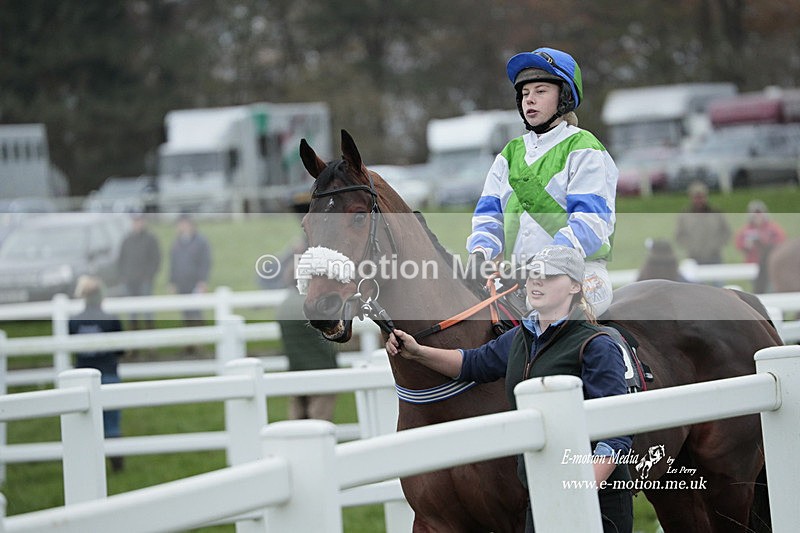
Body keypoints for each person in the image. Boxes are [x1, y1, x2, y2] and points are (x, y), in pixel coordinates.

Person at [386, 245, 633, 533]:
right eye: (532, 275)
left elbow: (616, 436)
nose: (537, 281)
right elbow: (473, 363)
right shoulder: (519, 337)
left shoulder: (597, 344)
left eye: (550, 276)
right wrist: (417, 353)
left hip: (597, 498)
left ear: (575, 287)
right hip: (540, 496)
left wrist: (579, 489)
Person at [466, 47, 618, 316]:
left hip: (580, 275)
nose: (529, 100)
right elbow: (489, 217)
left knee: (549, 318)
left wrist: (543, 262)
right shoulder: (509, 154)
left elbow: (589, 224)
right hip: (515, 281)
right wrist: (480, 253)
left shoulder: (584, 148)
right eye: (524, 94)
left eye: (540, 91)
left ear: (564, 96)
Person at [275, 238, 339, 421]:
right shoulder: (314, 306)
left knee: (296, 423)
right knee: (320, 423)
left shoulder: (284, 306)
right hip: (322, 372)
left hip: (296, 372)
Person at [68, 275, 125, 472]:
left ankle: (87, 467)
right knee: (112, 424)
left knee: (85, 426)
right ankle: (117, 465)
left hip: (80, 380)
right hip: (108, 375)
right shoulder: (111, 319)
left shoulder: (73, 321)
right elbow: (121, 349)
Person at [117, 212, 161, 330]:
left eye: (139, 221)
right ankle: (134, 342)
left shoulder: (150, 239)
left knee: (147, 311)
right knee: (132, 312)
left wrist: (149, 276)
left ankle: (150, 341)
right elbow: (121, 260)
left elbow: (156, 260)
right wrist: (123, 277)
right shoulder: (127, 240)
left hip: (144, 281)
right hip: (129, 281)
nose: (137, 224)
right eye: (135, 221)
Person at [168, 214, 211, 328]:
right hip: (181, 283)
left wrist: (203, 281)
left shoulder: (200, 241)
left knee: (196, 312)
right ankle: (190, 342)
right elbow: (173, 264)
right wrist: (172, 281)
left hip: (195, 282)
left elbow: (205, 262)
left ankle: (200, 340)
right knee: (185, 313)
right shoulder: (177, 243)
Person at [735, 200, 786, 293]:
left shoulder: (772, 228)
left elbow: (781, 241)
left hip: (769, 264)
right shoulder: (746, 229)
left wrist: (766, 241)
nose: (757, 216)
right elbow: (739, 243)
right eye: (755, 213)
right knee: (757, 290)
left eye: (759, 213)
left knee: (771, 289)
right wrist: (747, 245)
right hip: (753, 263)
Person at [674, 181, 731, 265]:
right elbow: (679, 235)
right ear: (691, 197)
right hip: (693, 258)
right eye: (696, 197)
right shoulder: (684, 216)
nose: (699, 200)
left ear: (706, 197)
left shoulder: (716, 213)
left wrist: (716, 245)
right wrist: (691, 246)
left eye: (701, 197)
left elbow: (726, 232)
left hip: (715, 257)